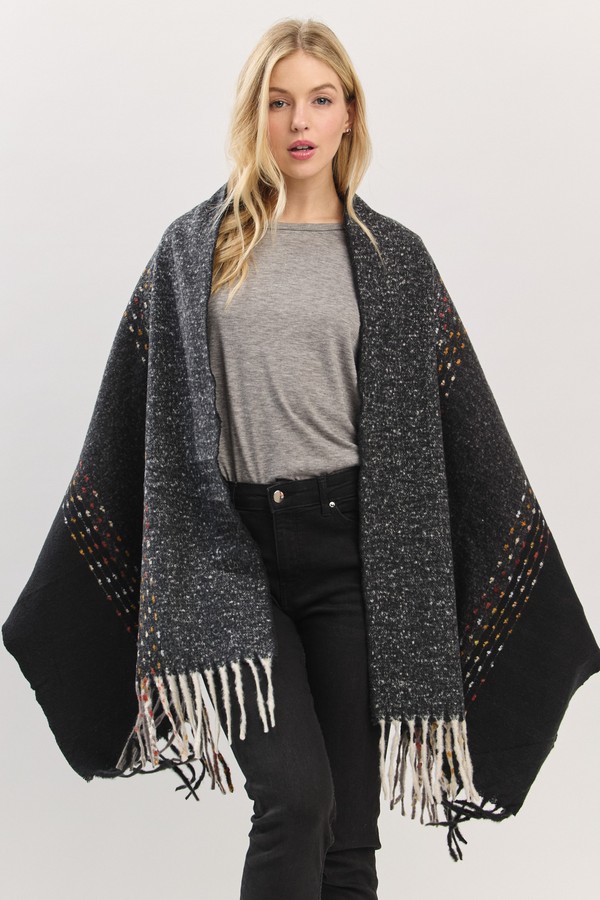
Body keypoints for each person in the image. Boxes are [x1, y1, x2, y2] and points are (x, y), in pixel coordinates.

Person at [3, 15, 599, 900]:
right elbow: (134, 414)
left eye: (320, 100)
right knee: (294, 797)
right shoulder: (194, 249)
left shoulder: (396, 260)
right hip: (226, 554)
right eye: (279, 102)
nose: (299, 122)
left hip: (356, 558)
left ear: (349, 112)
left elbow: (462, 428)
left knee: (349, 837)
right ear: (256, 115)